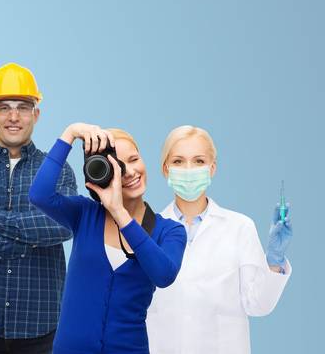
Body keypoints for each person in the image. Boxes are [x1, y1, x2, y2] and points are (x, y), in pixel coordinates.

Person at [0, 63, 77, 354]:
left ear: (37, 113)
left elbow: (62, 226)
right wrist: (29, 239)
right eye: (4, 107)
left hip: (41, 326)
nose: (14, 117)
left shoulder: (57, 170)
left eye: (23, 107)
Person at [33, 123, 186, 353]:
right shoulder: (84, 214)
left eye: (135, 159)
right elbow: (39, 194)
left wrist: (119, 212)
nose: (131, 172)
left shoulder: (170, 230)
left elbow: (164, 275)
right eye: (119, 167)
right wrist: (71, 133)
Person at [145, 126, 292, 354]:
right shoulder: (147, 230)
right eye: (178, 161)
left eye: (199, 161)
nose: (188, 169)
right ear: (165, 169)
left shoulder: (239, 227)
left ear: (212, 168)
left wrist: (274, 261)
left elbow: (257, 304)